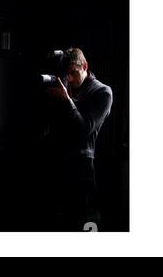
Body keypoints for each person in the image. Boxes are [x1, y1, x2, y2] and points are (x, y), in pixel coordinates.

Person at [45, 48, 113, 231]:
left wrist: (67, 100)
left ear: (85, 66)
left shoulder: (102, 92)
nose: (71, 79)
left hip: (84, 172)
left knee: (85, 224)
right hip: (59, 167)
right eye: (68, 75)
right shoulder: (66, 87)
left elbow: (83, 129)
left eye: (74, 73)